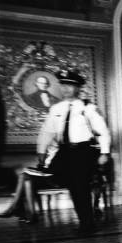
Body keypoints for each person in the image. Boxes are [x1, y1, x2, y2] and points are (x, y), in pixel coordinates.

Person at [37, 70, 110, 233]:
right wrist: (41, 151)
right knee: (71, 185)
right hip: (64, 153)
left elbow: (102, 131)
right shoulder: (56, 108)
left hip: (82, 152)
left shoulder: (88, 108)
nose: (66, 89)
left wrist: (104, 153)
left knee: (80, 187)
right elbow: (47, 131)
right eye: (63, 85)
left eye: (70, 85)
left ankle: (87, 224)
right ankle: (87, 219)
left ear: (78, 88)